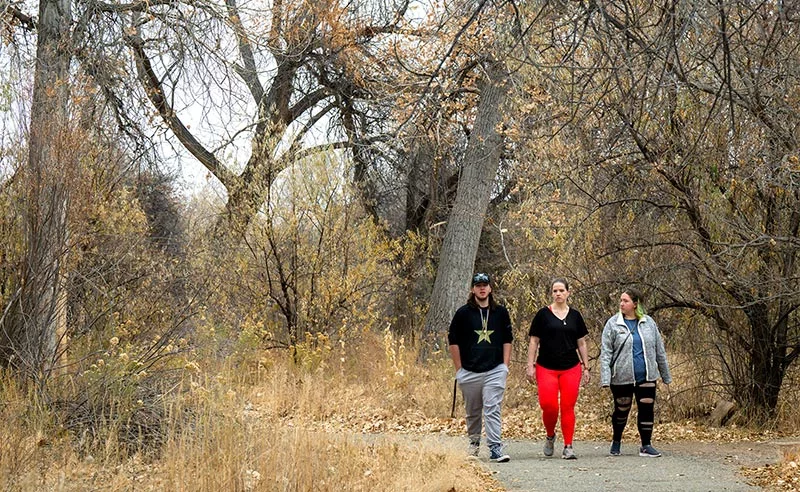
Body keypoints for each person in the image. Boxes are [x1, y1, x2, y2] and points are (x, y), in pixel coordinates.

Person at [448, 272, 513, 462]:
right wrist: (459, 369)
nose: (482, 288)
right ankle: (474, 445)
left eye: (485, 285)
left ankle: (495, 448)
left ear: (490, 288)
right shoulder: (463, 313)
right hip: (469, 370)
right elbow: (453, 340)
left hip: (494, 369)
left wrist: (505, 366)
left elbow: (508, 339)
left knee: (492, 407)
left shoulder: (500, 312)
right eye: (478, 285)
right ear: (472, 289)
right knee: (473, 411)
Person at [599, 288, 672, 458]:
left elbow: (659, 350)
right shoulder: (613, 324)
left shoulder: (649, 323)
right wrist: (605, 377)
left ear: (635, 304)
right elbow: (606, 352)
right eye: (621, 301)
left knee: (646, 408)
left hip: (646, 375)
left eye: (625, 301)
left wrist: (665, 375)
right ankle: (616, 441)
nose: (622, 304)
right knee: (622, 409)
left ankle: (646, 445)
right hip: (621, 376)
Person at [526, 278, 590, 460]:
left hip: (571, 367)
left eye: (562, 290)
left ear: (568, 293)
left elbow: (581, 342)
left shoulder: (575, 316)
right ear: (551, 293)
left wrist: (586, 366)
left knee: (568, 406)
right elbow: (533, 341)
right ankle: (550, 435)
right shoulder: (542, 315)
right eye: (555, 291)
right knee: (549, 406)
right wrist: (530, 365)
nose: (558, 294)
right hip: (546, 367)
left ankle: (568, 446)